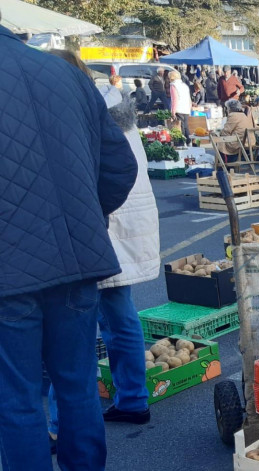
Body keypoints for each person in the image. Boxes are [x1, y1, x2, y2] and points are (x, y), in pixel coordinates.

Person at [1, 35, 137, 470]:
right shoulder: (65, 72)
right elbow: (119, 166)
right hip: (77, 262)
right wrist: (84, 216)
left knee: (18, 401)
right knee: (77, 386)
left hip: (10, 274)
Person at [48, 84, 160, 449]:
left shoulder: (87, 116)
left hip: (100, 232)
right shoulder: (117, 112)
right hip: (122, 232)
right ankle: (132, 399)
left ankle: (57, 422)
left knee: (69, 328)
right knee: (118, 316)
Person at [168, 70, 192, 140]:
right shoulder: (184, 85)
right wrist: (189, 108)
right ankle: (189, 141)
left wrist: (173, 112)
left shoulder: (173, 85)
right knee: (186, 126)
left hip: (179, 108)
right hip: (186, 109)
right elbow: (189, 99)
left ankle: (183, 141)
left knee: (180, 126)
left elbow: (175, 99)